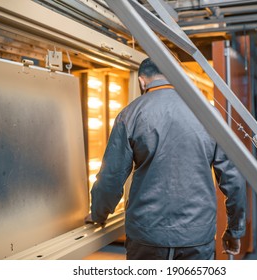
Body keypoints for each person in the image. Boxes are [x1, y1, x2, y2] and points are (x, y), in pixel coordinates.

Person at [85, 58, 246, 260]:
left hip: (147, 235)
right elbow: (234, 180)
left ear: (142, 82)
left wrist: (99, 214)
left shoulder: (130, 114)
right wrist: (234, 230)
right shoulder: (209, 114)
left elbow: (111, 177)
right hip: (196, 235)